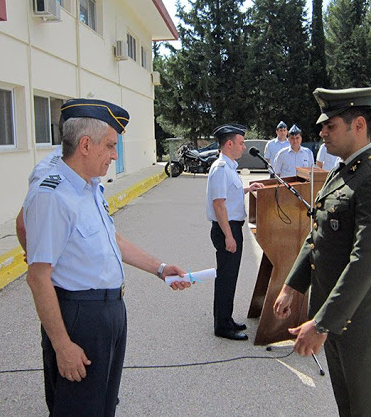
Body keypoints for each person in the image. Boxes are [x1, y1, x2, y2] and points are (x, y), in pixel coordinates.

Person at [23, 98, 191, 416]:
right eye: (111, 146)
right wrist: (62, 345)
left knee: (102, 405)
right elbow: (38, 276)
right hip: (79, 318)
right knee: (78, 408)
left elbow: (111, 239)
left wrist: (159, 268)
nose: (115, 155)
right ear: (86, 144)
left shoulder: (89, 187)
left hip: (110, 312)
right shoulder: (53, 195)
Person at [273, 87, 371, 416]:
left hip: (359, 322)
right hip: (336, 318)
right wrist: (293, 285)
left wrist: (321, 324)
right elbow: (317, 234)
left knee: (367, 410)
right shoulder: (343, 171)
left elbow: (364, 263)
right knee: (349, 408)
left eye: (330, 125)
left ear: (357, 125)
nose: (321, 132)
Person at [206, 124, 265, 341]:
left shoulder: (229, 166)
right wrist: (229, 237)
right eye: (241, 142)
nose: (243, 147)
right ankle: (222, 326)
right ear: (229, 144)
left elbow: (228, 195)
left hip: (231, 227)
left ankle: (226, 318)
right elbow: (219, 204)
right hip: (226, 229)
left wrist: (248, 189)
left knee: (229, 278)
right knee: (226, 278)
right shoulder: (221, 168)